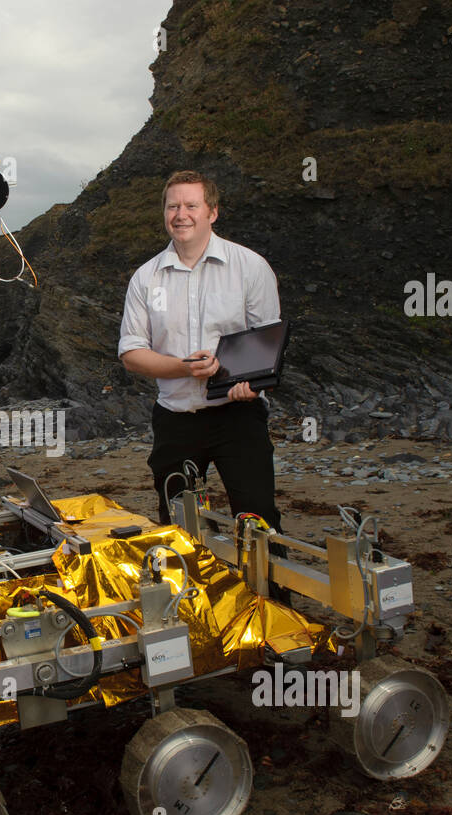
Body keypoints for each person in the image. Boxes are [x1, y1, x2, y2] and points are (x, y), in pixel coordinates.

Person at [117, 169, 286, 542]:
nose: (181, 214)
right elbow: (131, 353)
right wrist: (183, 368)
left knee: (259, 525)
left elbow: (266, 342)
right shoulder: (145, 278)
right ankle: (188, 600)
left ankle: (271, 599)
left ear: (212, 212)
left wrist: (251, 385)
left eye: (192, 205)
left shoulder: (250, 267)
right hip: (176, 419)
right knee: (179, 529)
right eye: (173, 206)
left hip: (238, 416)